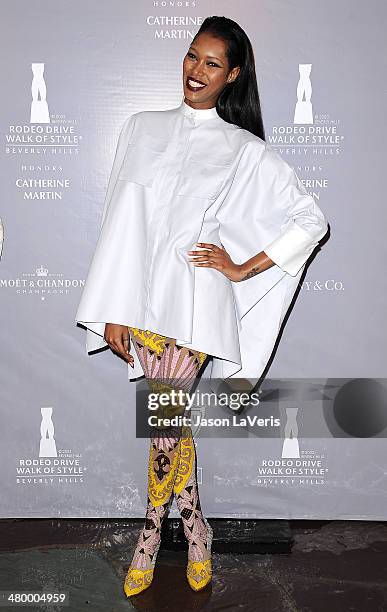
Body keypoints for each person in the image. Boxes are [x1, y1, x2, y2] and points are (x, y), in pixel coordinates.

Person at [75, 16, 328, 597]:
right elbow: (119, 223)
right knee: (171, 423)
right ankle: (195, 530)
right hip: (140, 303)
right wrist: (113, 306)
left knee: (164, 422)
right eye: (193, 57)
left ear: (232, 75)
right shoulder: (140, 128)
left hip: (193, 306)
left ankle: (149, 533)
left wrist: (241, 268)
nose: (196, 71)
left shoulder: (243, 149)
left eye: (212, 63)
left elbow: (311, 219)